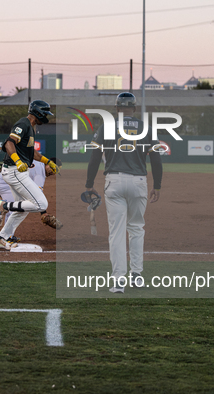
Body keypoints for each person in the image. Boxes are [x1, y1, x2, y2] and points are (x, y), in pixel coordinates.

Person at [84, 92, 163, 293]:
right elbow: (156, 159)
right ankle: (136, 276)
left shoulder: (107, 126)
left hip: (115, 181)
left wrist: (89, 183)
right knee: (136, 228)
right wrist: (158, 185)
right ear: (134, 108)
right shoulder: (145, 127)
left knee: (117, 232)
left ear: (117, 108)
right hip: (138, 182)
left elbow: (95, 156)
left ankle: (119, 280)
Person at [0, 100, 58, 250]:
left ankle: (0, 238)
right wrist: (17, 160)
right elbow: (9, 143)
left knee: (24, 208)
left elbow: (31, 152)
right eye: (45, 113)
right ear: (38, 113)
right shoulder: (23, 124)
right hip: (15, 171)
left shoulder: (31, 127)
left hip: (17, 171)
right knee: (41, 204)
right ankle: (4, 205)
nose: (47, 117)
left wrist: (47, 160)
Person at [0, 157, 62, 237]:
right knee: (15, 209)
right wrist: (44, 213)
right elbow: (37, 197)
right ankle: (7, 236)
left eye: (56, 171)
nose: (53, 173)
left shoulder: (36, 162)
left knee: (20, 206)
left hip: (0, 181)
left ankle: (6, 233)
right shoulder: (40, 173)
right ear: (48, 164)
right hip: (4, 184)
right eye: (53, 169)